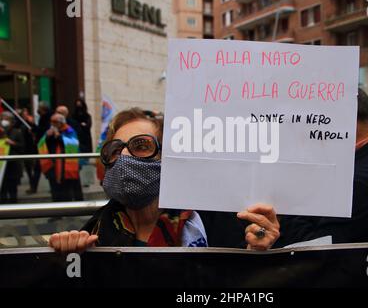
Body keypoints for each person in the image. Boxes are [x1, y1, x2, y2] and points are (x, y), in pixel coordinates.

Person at [49, 108, 280, 252]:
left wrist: (256, 248)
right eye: (116, 150)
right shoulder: (96, 231)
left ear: (167, 156)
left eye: (141, 146)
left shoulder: (208, 221)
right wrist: (66, 257)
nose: (125, 156)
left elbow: (237, 281)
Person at [275, 89, 368, 246]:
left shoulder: (359, 179)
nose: (311, 130)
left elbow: (319, 245)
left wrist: (285, 213)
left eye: (317, 120)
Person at [38, 113, 84, 202]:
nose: (52, 124)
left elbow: (73, 143)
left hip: (65, 165)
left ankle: (67, 210)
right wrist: (47, 137)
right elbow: (41, 144)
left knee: (66, 190)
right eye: (51, 122)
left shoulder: (69, 130)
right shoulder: (50, 131)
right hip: (52, 165)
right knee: (54, 189)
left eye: (54, 122)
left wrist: (59, 136)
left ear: (61, 122)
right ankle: (56, 212)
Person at [0, 112, 25, 203]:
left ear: (12, 121)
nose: (4, 121)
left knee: (12, 187)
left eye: (7, 119)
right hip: (1, 165)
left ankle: (13, 205)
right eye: (3, 118)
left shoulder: (17, 132)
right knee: (2, 187)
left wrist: (13, 143)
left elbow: (22, 147)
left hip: (13, 165)